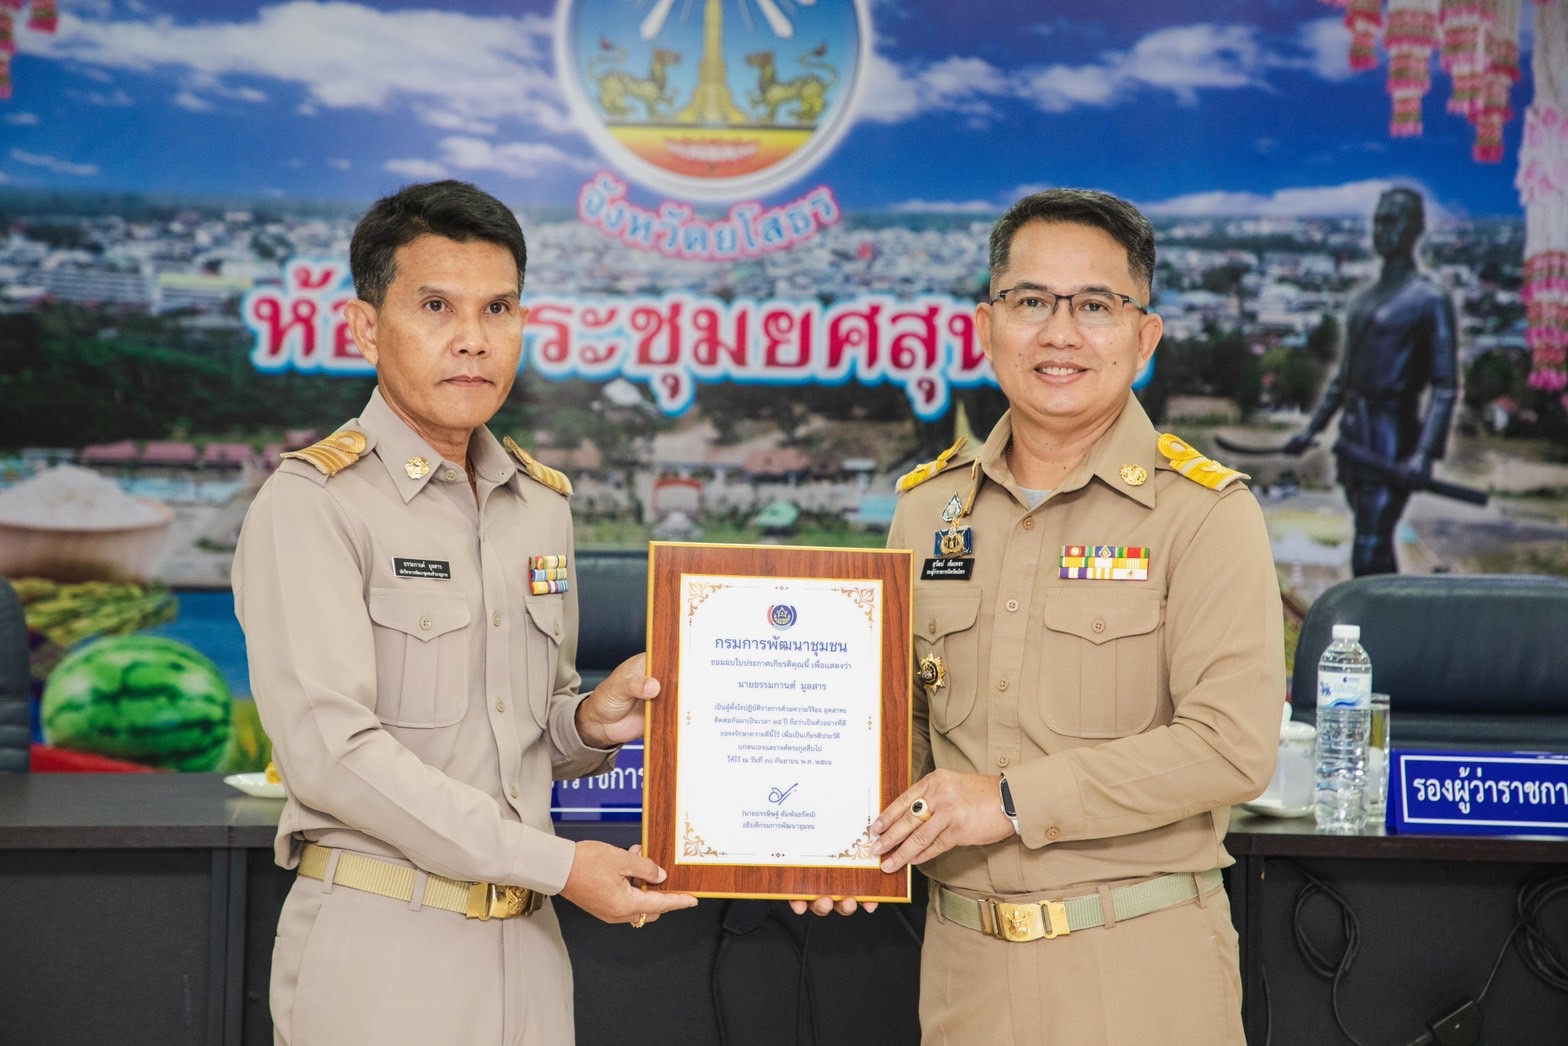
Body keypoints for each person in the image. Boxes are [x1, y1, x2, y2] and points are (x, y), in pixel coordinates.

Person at [799, 189, 1284, 1045]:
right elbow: (900, 724)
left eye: (1095, 306)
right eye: (1030, 303)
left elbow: (1231, 745)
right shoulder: (927, 510)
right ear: (988, 326)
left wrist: (1011, 800)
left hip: (1140, 964)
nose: (1059, 333)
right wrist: (834, 835)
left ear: (1145, 336)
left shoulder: (1204, 512)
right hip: (964, 970)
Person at [233, 179, 696, 1046]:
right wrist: (560, 865)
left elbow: (519, 735)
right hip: (384, 946)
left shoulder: (539, 506)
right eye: (436, 306)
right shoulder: (313, 505)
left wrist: (590, 723)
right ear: (366, 326)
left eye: (499, 308)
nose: (473, 340)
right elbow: (334, 755)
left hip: (529, 946)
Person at [1281, 188, 1459, 575]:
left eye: (1391, 221)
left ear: (1415, 229)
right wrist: (1311, 430)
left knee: (1369, 543)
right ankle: (1390, 622)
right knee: (1373, 546)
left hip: (1392, 436)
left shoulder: (1429, 299)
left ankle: (1370, 625)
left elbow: (1445, 386)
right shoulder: (1363, 300)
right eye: (1378, 220)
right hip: (1355, 437)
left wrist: (1425, 453)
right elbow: (1343, 380)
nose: (1381, 230)